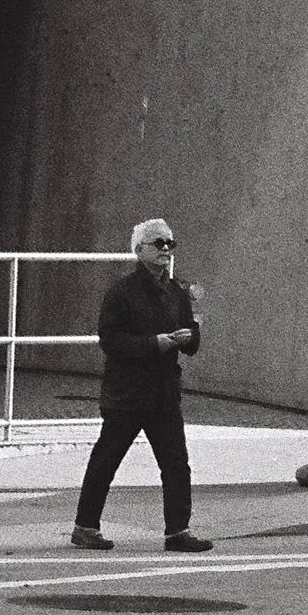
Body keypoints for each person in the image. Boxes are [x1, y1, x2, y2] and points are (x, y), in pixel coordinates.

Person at [72, 219, 211, 552]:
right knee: (106, 460)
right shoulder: (122, 292)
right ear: (138, 250)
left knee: (176, 463)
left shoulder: (177, 291)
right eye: (157, 243)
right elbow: (110, 339)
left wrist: (189, 337)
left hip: (164, 393)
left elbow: (191, 339)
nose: (165, 249)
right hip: (128, 394)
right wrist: (154, 344)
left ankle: (178, 531)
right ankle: (85, 527)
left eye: (169, 244)